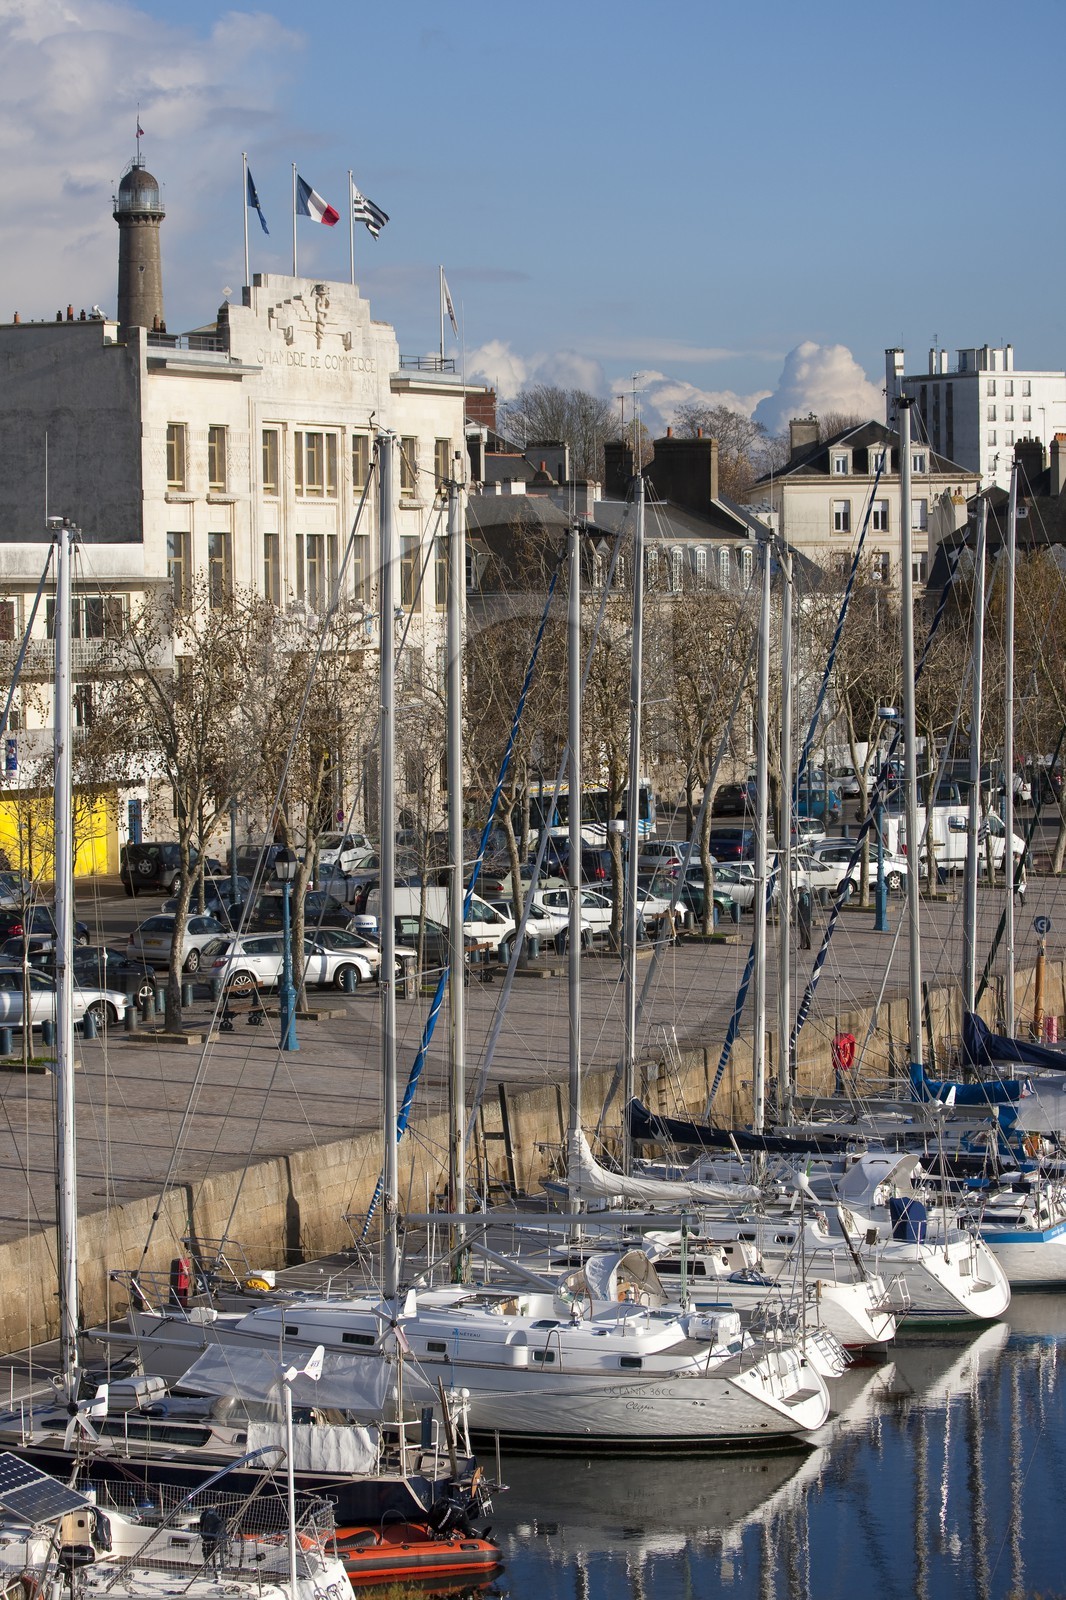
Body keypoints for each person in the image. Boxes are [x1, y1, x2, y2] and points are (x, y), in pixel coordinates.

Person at [198, 1505, 227, 1575]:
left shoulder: (205, 1516)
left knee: (210, 1556)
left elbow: (202, 1528)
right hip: (217, 1542)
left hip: (210, 1542)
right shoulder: (217, 1520)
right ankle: (216, 1572)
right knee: (216, 1558)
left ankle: (209, 1570)